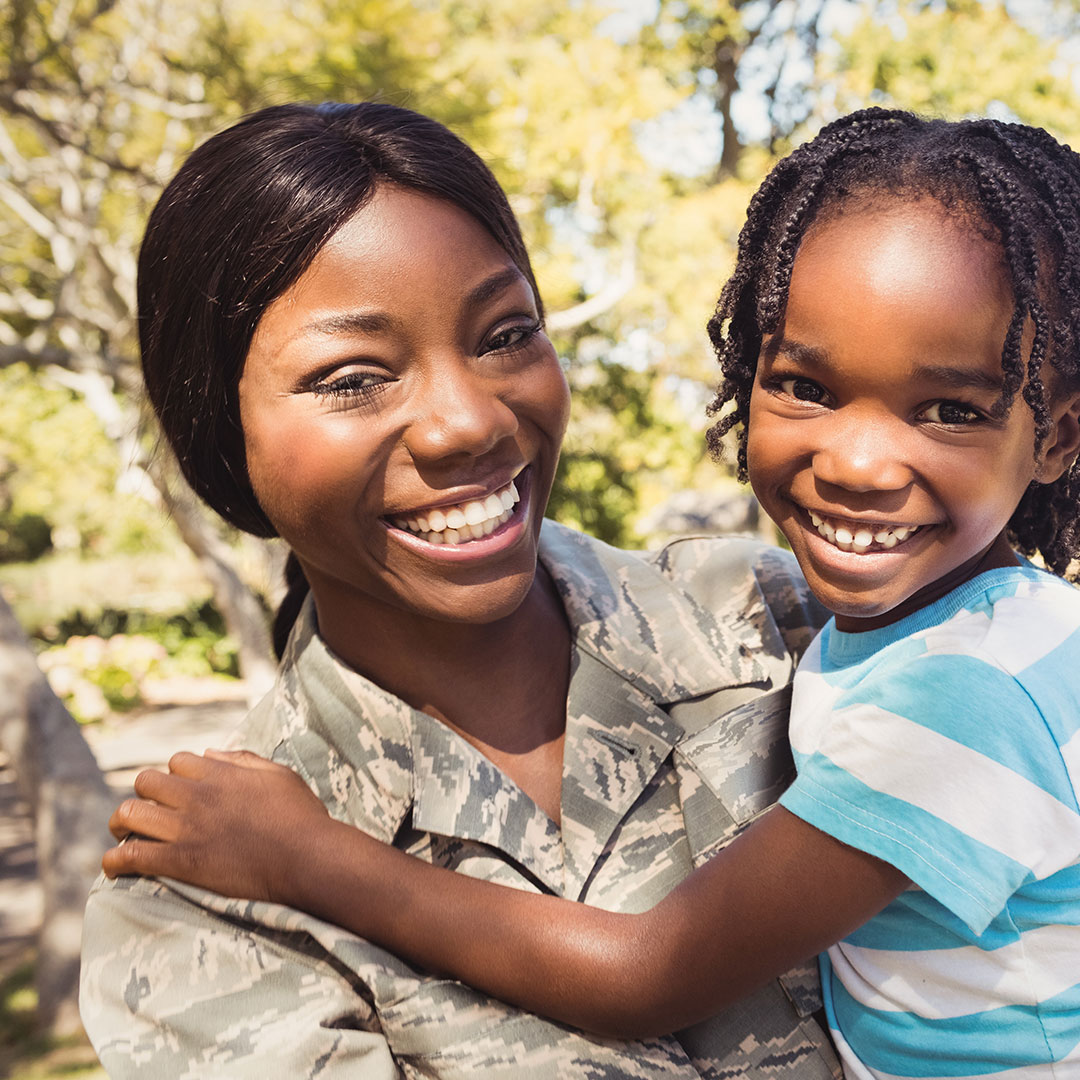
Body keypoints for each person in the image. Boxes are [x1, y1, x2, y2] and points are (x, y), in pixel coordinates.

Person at [105, 108, 1080, 1078]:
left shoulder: (789, 615)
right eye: (354, 378)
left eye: (505, 333)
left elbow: (647, 971)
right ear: (219, 431)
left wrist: (320, 862)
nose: (464, 424)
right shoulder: (203, 889)